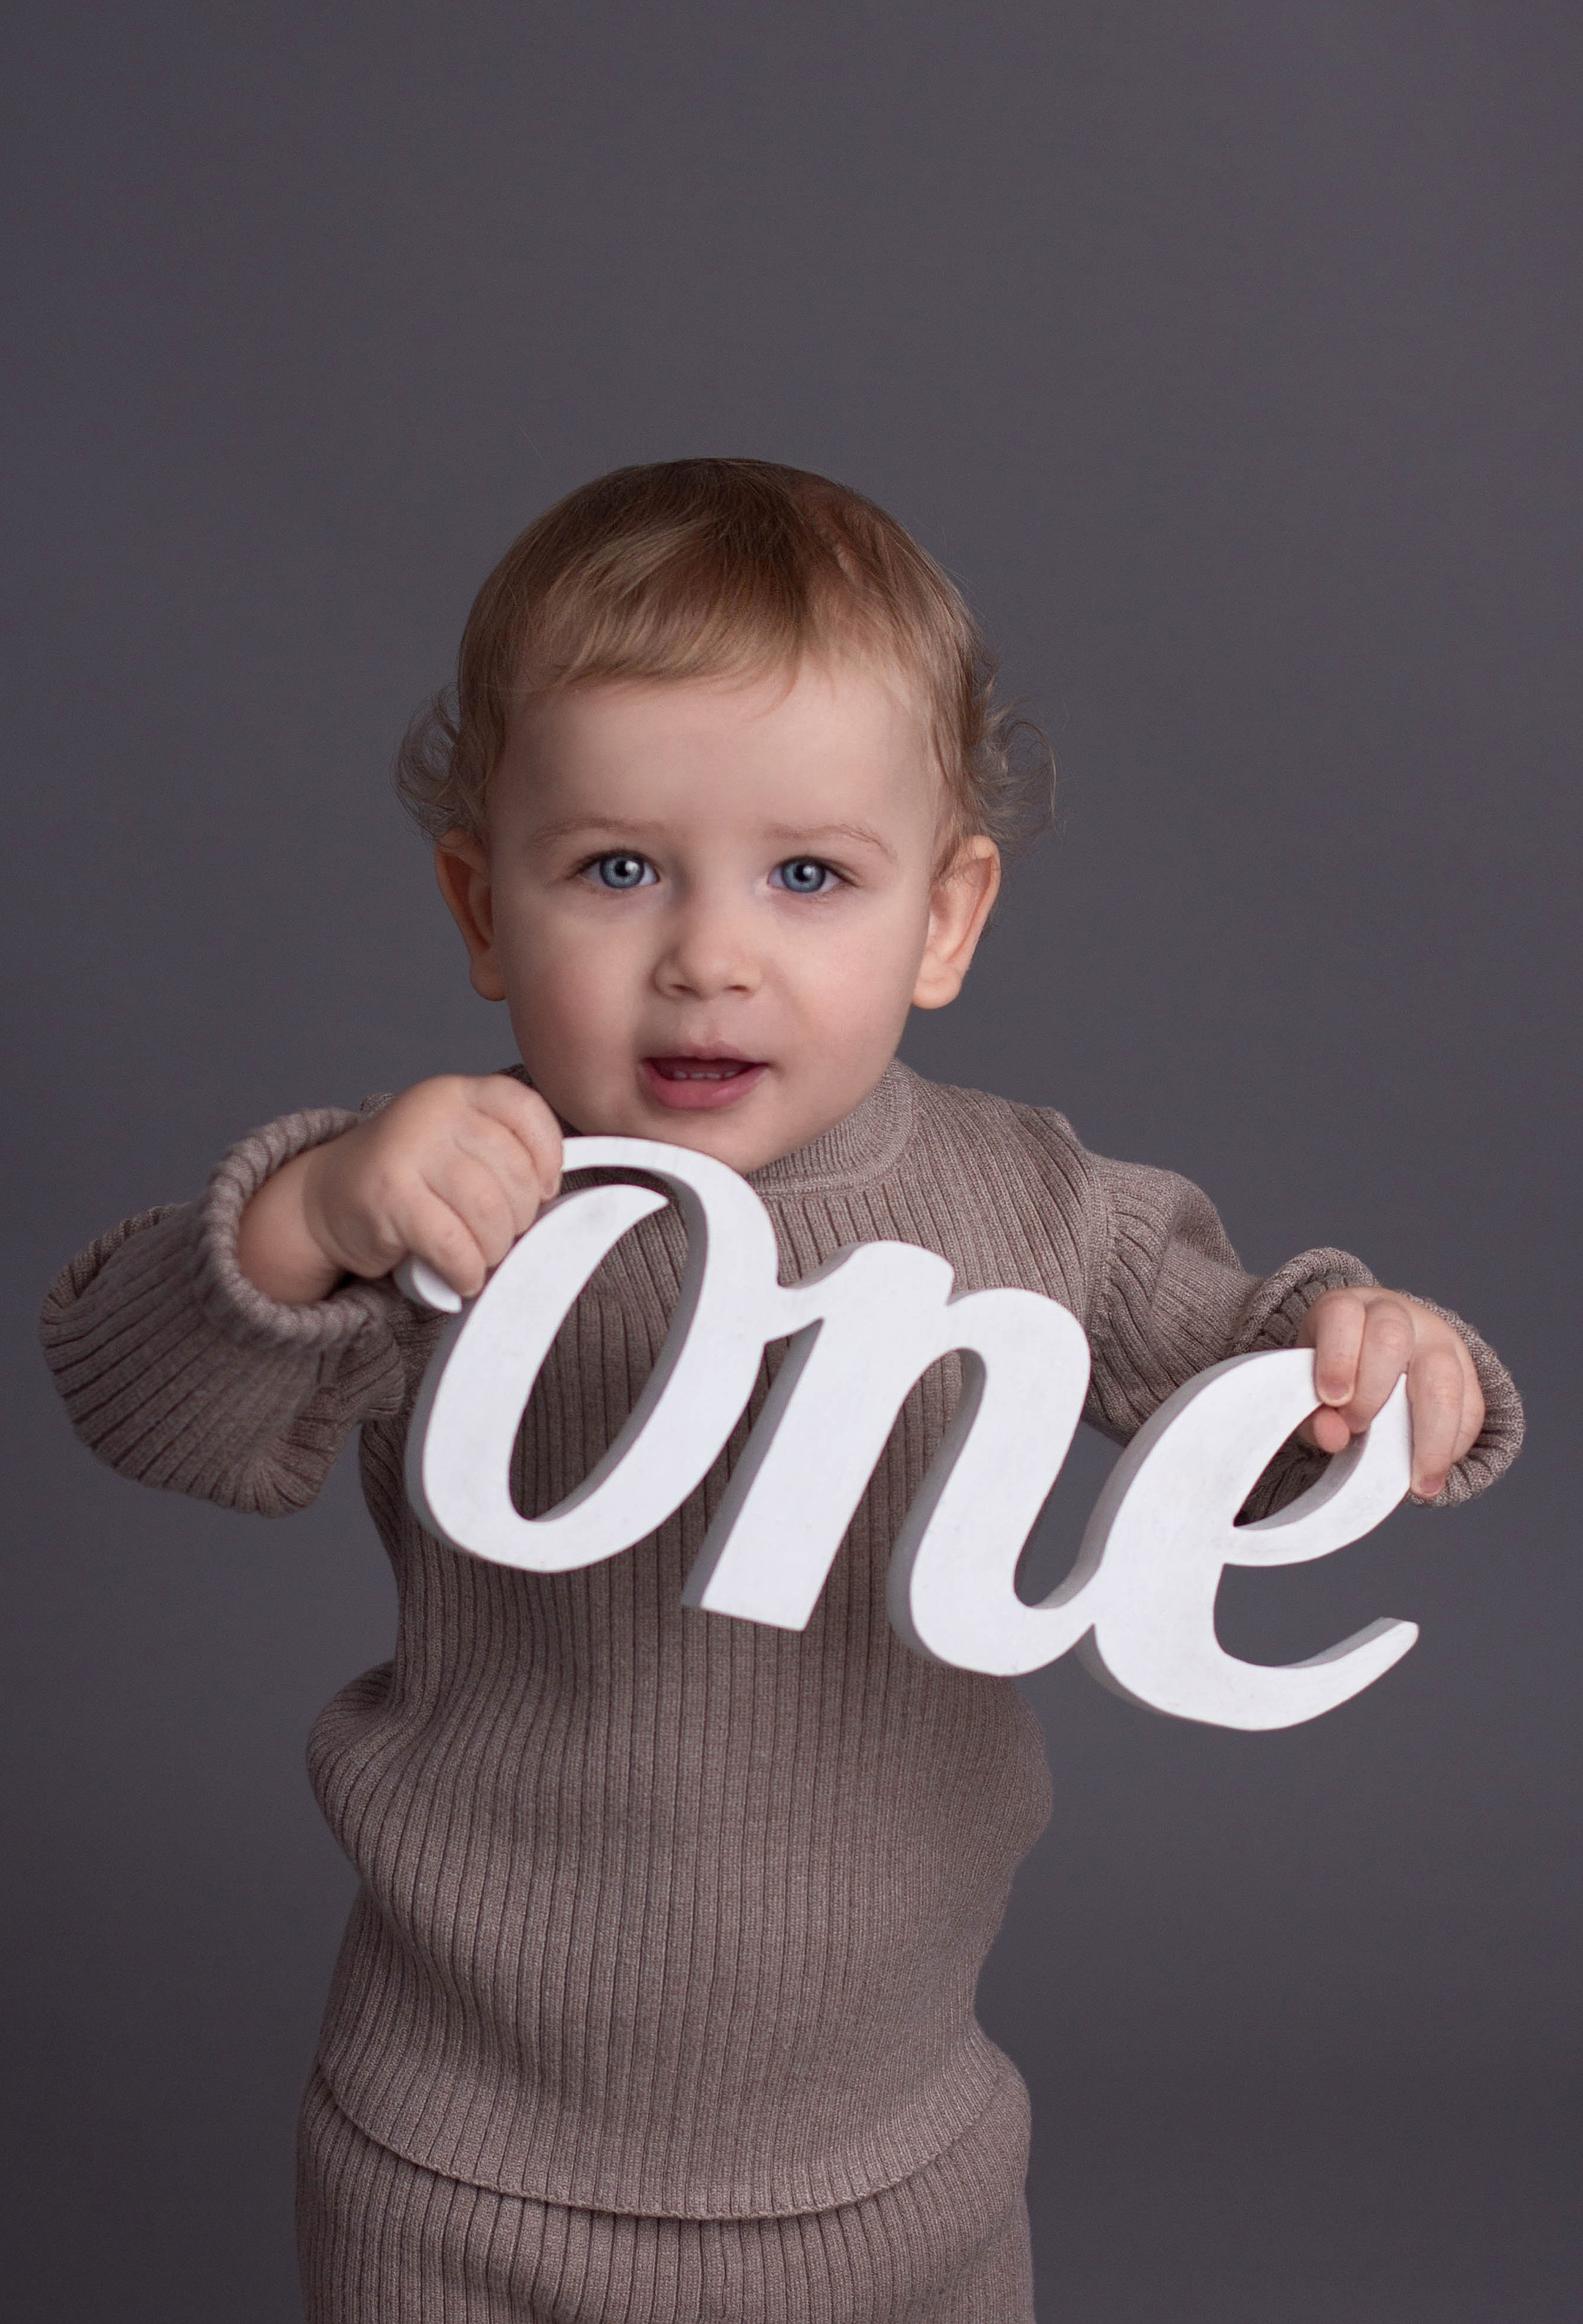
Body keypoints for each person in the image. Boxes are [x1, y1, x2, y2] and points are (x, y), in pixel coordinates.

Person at [41, 459, 1522, 2323]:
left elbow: (1257, 1404)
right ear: (480, 906)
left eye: (810, 874)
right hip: (462, 2163)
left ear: (948, 919)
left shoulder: (1037, 1206)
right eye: (617, 868)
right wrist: (303, 1220)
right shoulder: (458, 1198)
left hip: (893, 2170)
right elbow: (143, 1402)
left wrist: (1377, 1364)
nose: (709, 956)